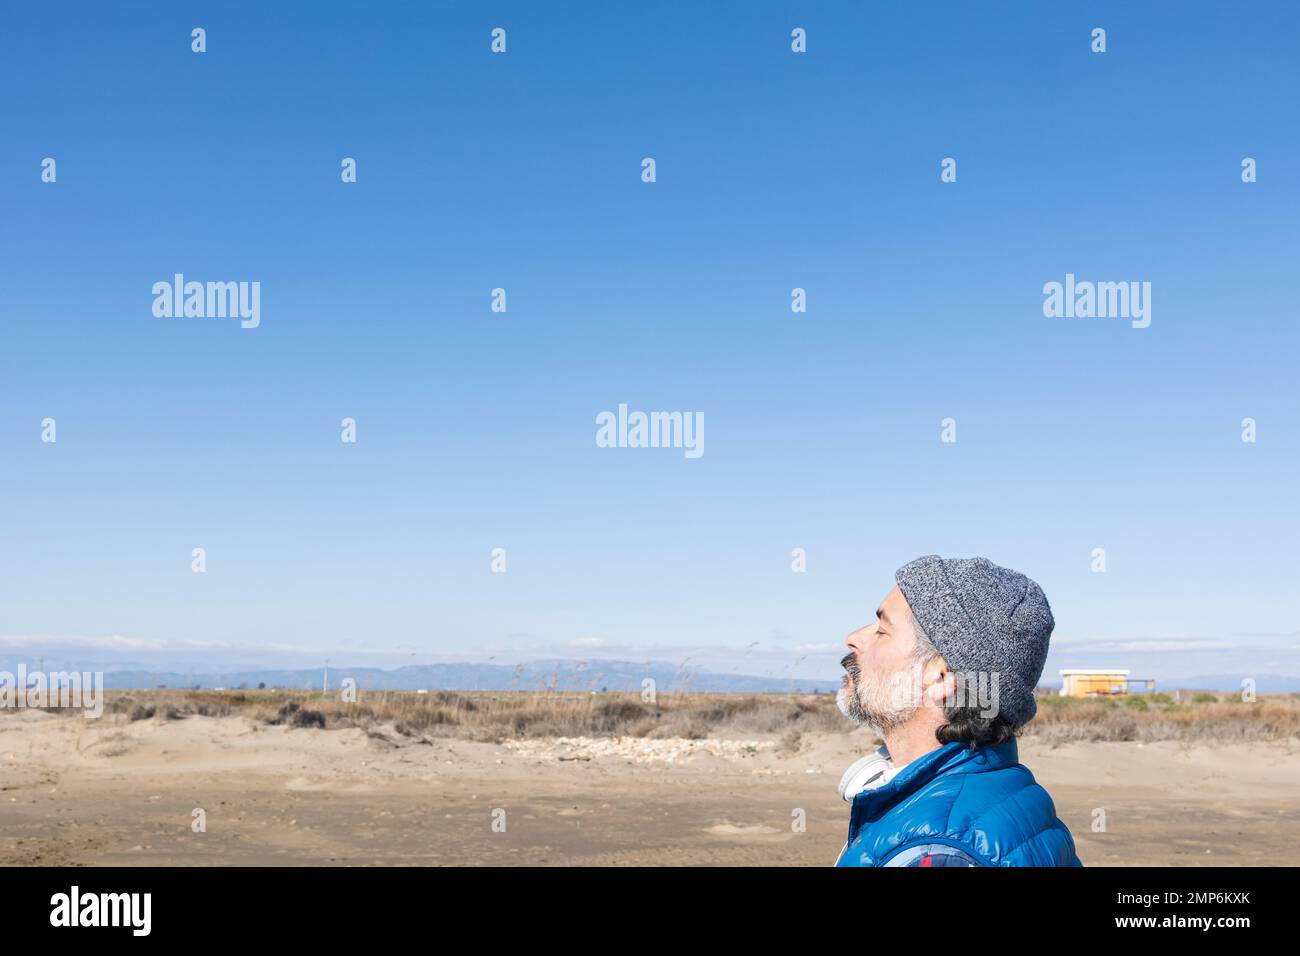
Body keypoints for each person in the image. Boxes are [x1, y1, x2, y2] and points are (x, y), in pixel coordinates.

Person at [834, 555, 1081, 867]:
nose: (853, 638)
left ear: (941, 676)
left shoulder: (939, 853)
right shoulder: (1002, 792)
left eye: (883, 630)